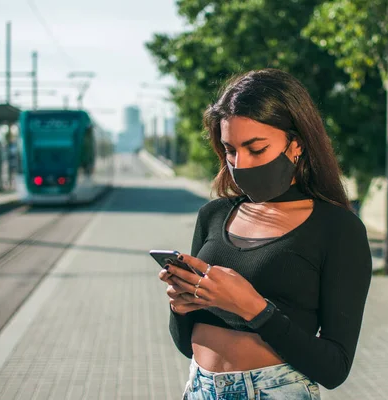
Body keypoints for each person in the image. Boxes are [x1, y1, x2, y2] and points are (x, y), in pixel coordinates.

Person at [159, 68, 372, 400]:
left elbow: (334, 368)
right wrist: (180, 307)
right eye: (230, 150)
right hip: (200, 388)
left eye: (256, 149)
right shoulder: (212, 216)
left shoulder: (337, 229)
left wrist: (255, 309)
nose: (240, 164)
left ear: (296, 144)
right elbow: (186, 344)